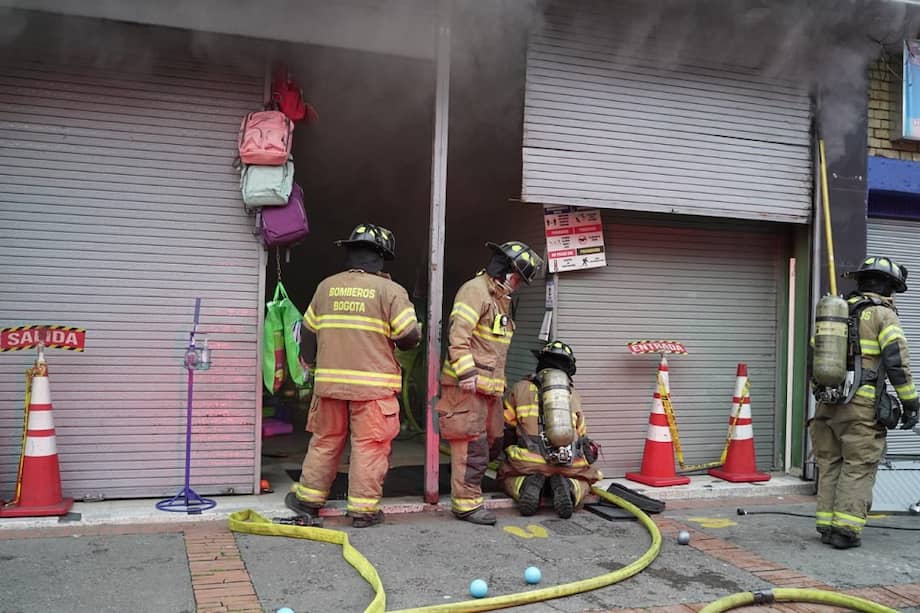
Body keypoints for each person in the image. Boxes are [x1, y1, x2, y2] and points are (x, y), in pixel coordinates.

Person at [286, 223, 421, 528]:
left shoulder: (325, 287)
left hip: (329, 385)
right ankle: (362, 511)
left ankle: (308, 500)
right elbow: (408, 338)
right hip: (373, 389)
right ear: (381, 258)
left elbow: (307, 333)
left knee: (325, 441)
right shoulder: (391, 291)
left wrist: (310, 363)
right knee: (369, 446)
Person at [810, 256, 919, 549]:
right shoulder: (883, 316)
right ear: (888, 287)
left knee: (830, 464)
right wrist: (911, 403)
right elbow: (896, 363)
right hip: (861, 408)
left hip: (826, 406)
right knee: (858, 466)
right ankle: (845, 530)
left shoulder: (836, 313)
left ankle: (825, 524)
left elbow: (813, 358)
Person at [437, 240, 544, 525]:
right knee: (471, 447)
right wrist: (467, 374)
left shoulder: (499, 299)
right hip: (468, 388)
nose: (519, 285)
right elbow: (458, 337)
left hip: (489, 390)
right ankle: (467, 505)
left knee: (492, 443)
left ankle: (472, 493)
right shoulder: (475, 291)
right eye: (519, 279)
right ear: (508, 272)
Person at [498, 340, 602, 518]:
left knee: (504, 476)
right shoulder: (573, 394)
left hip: (528, 461)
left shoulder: (520, 388)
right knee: (589, 478)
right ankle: (570, 488)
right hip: (569, 464)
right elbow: (582, 434)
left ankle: (525, 486)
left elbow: (505, 428)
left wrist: (508, 452)